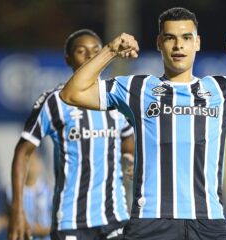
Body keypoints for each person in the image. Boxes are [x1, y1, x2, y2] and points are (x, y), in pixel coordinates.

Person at [59, 7, 226, 240]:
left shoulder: (223, 91)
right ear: (159, 43)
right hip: (150, 221)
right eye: (170, 38)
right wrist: (110, 50)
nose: (179, 45)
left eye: (186, 38)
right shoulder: (137, 88)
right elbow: (72, 93)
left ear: (197, 43)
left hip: (208, 221)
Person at [9, 29, 135, 240]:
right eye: (81, 51)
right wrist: (17, 209)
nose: (90, 56)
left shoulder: (116, 97)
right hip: (71, 221)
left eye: (96, 50)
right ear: (68, 59)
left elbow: (127, 138)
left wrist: (129, 157)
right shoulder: (54, 102)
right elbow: (23, 152)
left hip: (115, 218)